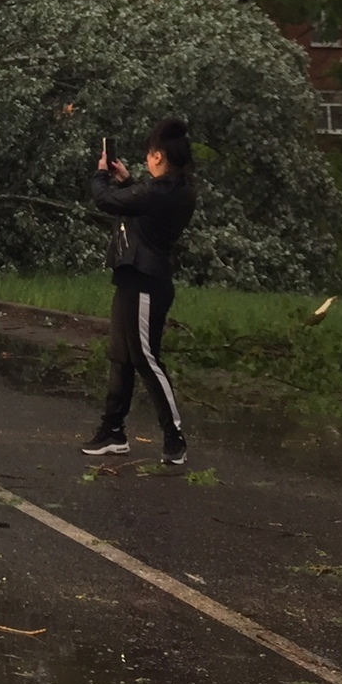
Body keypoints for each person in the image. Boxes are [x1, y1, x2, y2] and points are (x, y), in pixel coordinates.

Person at [81, 118, 195, 464]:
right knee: (121, 357)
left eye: (149, 154)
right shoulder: (169, 189)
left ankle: (174, 437)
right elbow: (139, 208)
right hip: (132, 279)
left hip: (147, 283)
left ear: (159, 156)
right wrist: (127, 179)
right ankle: (112, 431)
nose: (147, 159)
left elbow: (107, 202)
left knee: (145, 359)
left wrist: (101, 173)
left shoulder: (163, 192)